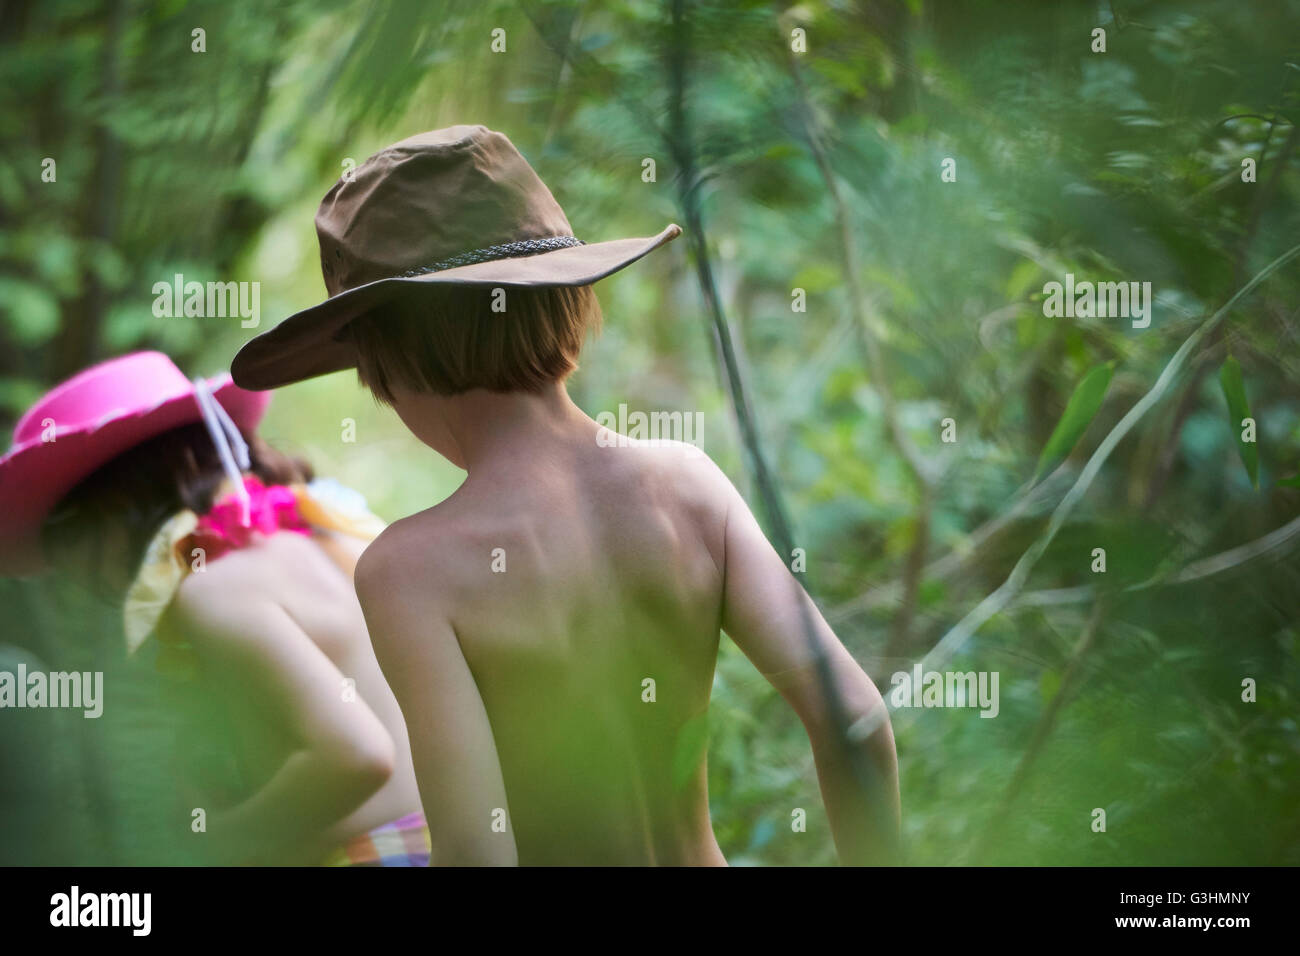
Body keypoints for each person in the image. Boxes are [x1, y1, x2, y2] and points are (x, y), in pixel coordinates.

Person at [232, 125, 899, 865]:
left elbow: (480, 854)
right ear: (561, 300)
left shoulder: (408, 570)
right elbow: (857, 721)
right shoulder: (688, 485)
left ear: (393, 363)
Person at [0, 351, 426, 865]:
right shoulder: (321, 531)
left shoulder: (213, 586)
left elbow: (360, 756)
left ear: (119, 502)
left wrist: (218, 839)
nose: (65, 568)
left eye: (65, 532)